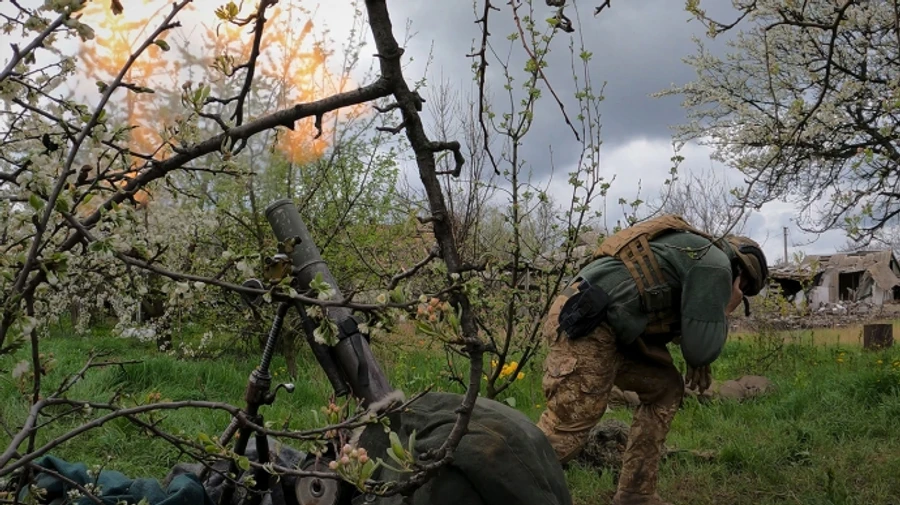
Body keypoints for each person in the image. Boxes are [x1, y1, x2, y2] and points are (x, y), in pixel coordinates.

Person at [536, 215, 768, 505]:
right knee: (568, 430)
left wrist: (700, 346)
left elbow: (688, 332)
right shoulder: (714, 265)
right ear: (742, 277)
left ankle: (636, 494)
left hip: (605, 322)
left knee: (665, 389)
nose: (737, 294)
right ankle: (492, 481)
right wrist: (725, 310)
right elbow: (699, 350)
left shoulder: (700, 253)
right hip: (587, 322)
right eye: (743, 290)